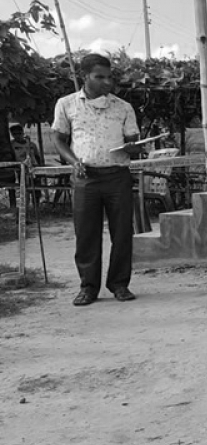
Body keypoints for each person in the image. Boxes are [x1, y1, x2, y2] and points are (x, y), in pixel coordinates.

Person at [52, 53, 144, 306]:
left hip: (117, 177)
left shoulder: (123, 107)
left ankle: (119, 285)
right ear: (85, 77)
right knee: (86, 235)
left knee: (123, 233)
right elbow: (58, 139)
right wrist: (74, 162)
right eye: (99, 77)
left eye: (109, 77)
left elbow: (132, 142)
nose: (106, 82)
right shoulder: (67, 104)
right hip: (85, 179)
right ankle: (88, 288)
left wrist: (134, 148)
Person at [8, 124, 43, 210]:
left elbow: (37, 156)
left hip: (34, 168)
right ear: (12, 134)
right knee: (25, 189)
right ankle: (25, 208)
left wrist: (40, 168)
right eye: (14, 134)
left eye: (19, 133)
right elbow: (12, 157)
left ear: (23, 133)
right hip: (22, 170)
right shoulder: (12, 145)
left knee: (36, 189)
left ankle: (36, 207)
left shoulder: (31, 144)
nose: (17, 136)